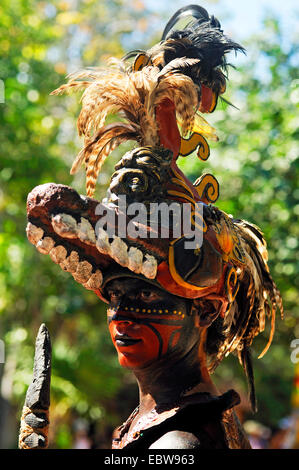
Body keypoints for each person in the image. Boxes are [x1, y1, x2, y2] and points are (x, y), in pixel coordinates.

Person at [22, 4, 283, 449]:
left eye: (145, 295)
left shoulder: (178, 442)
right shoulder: (165, 420)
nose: (121, 313)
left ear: (205, 310)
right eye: (117, 294)